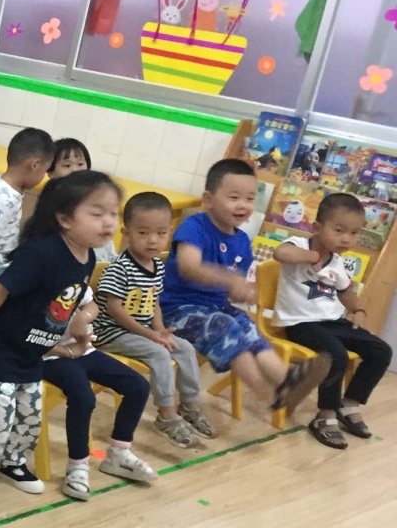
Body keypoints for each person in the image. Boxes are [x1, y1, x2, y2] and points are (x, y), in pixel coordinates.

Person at [0, 172, 122, 519]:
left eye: (113, 213)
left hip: (29, 353)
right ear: (66, 219)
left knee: (28, 415)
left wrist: (77, 333)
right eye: (97, 213)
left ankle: (10, 461)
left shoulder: (86, 257)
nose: (108, 222)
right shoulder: (42, 254)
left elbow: (63, 305)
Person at [160, 159, 328, 415]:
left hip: (216, 307)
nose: (243, 205)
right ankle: (267, 394)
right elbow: (188, 267)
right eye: (234, 197)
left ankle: (287, 380)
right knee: (225, 326)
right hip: (177, 310)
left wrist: (245, 290)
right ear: (209, 199)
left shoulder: (242, 240)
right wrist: (230, 281)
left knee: (247, 325)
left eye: (250, 199)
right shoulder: (194, 226)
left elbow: (236, 282)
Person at [92, 191, 212, 447]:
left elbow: (153, 301)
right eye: (143, 233)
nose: (152, 240)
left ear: (170, 232)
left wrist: (160, 331)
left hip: (142, 331)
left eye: (161, 233)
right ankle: (166, 416)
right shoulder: (120, 268)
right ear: (126, 233)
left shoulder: (157, 266)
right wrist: (151, 335)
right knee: (159, 354)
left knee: (184, 348)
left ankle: (189, 405)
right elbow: (115, 310)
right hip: (111, 333)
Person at [273, 192, 391, 449]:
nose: (347, 239)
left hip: (332, 322)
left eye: (354, 233)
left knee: (381, 351)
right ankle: (325, 414)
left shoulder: (337, 262)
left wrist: (358, 310)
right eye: (339, 230)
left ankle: (348, 405)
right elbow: (280, 253)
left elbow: (345, 292)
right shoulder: (299, 244)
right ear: (317, 228)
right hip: (300, 323)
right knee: (336, 355)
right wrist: (311, 257)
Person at [41, 281, 158, 502]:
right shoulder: (35, 279)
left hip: (84, 350)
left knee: (138, 386)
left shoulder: (74, 273)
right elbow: (25, 336)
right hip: (49, 357)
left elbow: (92, 303)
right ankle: (77, 465)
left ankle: (118, 453)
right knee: (83, 398)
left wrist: (82, 318)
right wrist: (66, 351)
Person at [0, 127, 53, 290]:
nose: (42, 177)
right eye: (44, 172)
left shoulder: (0, 182)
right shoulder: (5, 198)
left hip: (5, 259)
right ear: (35, 165)